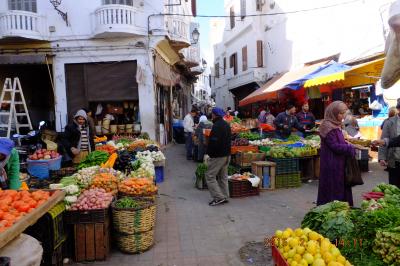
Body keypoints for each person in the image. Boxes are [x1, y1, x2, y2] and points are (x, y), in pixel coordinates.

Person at [317, 101, 357, 206]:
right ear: (333, 113)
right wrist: (349, 147)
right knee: (333, 188)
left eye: (344, 113)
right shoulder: (328, 126)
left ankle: (343, 209)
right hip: (332, 164)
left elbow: (338, 143)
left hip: (338, 162)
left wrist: (346, 143)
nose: (343, 116)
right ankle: (332, 211)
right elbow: (334, 146)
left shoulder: (335, 125)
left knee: (340, 187)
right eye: (340, 113)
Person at [205, 107, 231, 206]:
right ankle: (224, 196)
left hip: (218, 156)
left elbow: (214, 142)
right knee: (223, 177)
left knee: (210, 176)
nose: (211, 115)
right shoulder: (226, 124)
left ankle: (219, 197)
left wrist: (209, 153)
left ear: (214, 115)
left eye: (212, 114)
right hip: (227, 155)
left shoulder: (216, 126)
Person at [377, 101, 400, 187]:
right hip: (395, 161)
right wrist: (382, 157)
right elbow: (384, 139)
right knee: (394, 188)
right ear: (398, 109)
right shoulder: (389, 122)